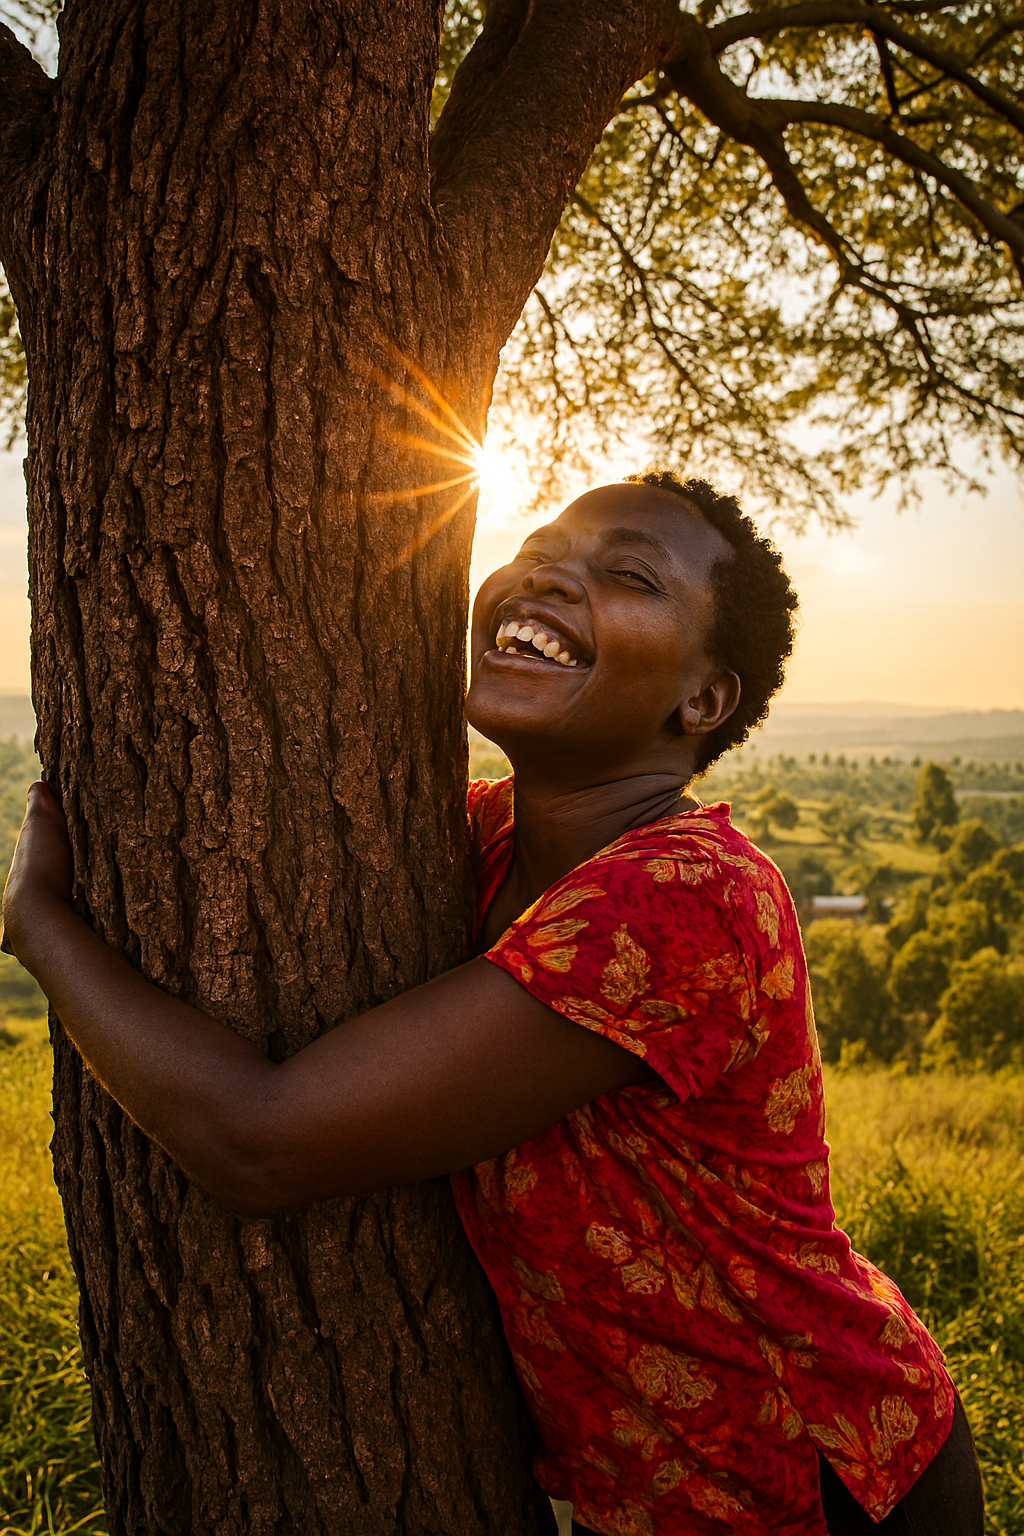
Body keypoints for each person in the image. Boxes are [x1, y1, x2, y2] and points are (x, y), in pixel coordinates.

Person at [2, 472, 985, 1536]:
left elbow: (259, 1142)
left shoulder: (681, 897)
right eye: (543, 543)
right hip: (649, 1489)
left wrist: (38, 924)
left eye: (626, 575)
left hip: (818, 1473)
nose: (550, 571)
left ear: (700, 701)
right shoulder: (484, 840)